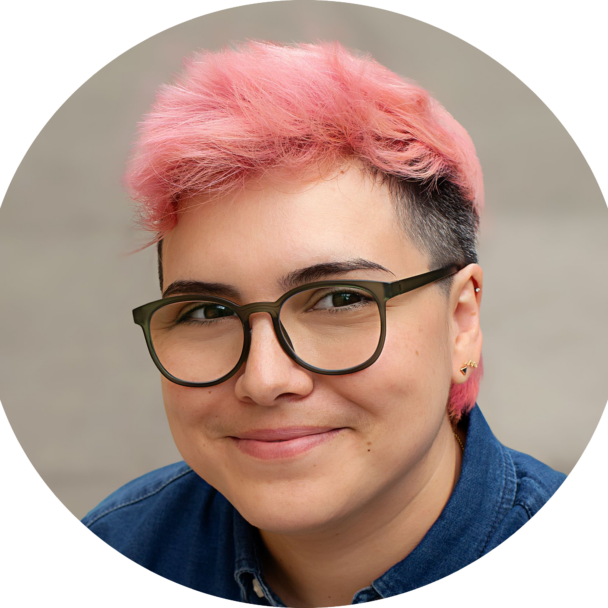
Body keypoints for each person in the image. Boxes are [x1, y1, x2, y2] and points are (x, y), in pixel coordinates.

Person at [81, 41, 567, 605]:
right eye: (206, 312)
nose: (264, 379)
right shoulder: (123, 543)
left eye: (338, 300)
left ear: (461, 322)